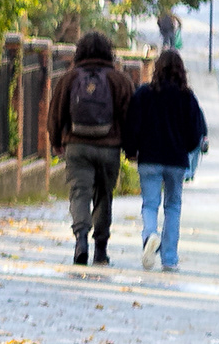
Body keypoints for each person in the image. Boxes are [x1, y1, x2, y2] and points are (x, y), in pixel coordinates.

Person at [42, 29, 135, 267]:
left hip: (77, 146)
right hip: (109, 148)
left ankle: (81, 239)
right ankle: (100, 249)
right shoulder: (119, 80)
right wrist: (130, 148)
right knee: (104, 196)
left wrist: (56, 141)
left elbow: (56, 112)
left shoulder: (69, 78)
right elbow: (130, 117)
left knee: (79, 193)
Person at [121, 47, 209, 271]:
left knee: (150, 204)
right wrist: (185, 149)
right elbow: (196, 132)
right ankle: (169, 258)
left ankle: (150, 234)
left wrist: (131, 150)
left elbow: (132, 125)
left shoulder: (144, 94)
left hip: (149, 158)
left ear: (156, 68)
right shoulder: (187, 97)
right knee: (173, 207)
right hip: (176, 160)